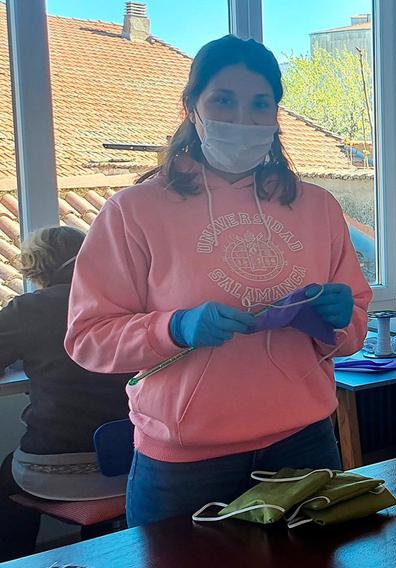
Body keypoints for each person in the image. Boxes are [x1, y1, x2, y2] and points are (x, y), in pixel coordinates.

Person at [64, 35, 371, 527]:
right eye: (223, 100)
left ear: (276, 114)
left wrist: (340, 319)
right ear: (192, 107)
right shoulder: (136, 211)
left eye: (259, 104)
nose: (242, 120)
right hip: (184, 465)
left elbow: (354, 330)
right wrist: (175, 328)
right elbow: (87, 338)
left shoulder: (318, 207)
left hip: (305, 444)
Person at [0, 227, 132, 561]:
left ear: (35, 268)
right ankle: (100, 553)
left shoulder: (30, 308)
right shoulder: (127, 304)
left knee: (7, 476)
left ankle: (16, 559)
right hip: (129, 465)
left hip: (54, 469)